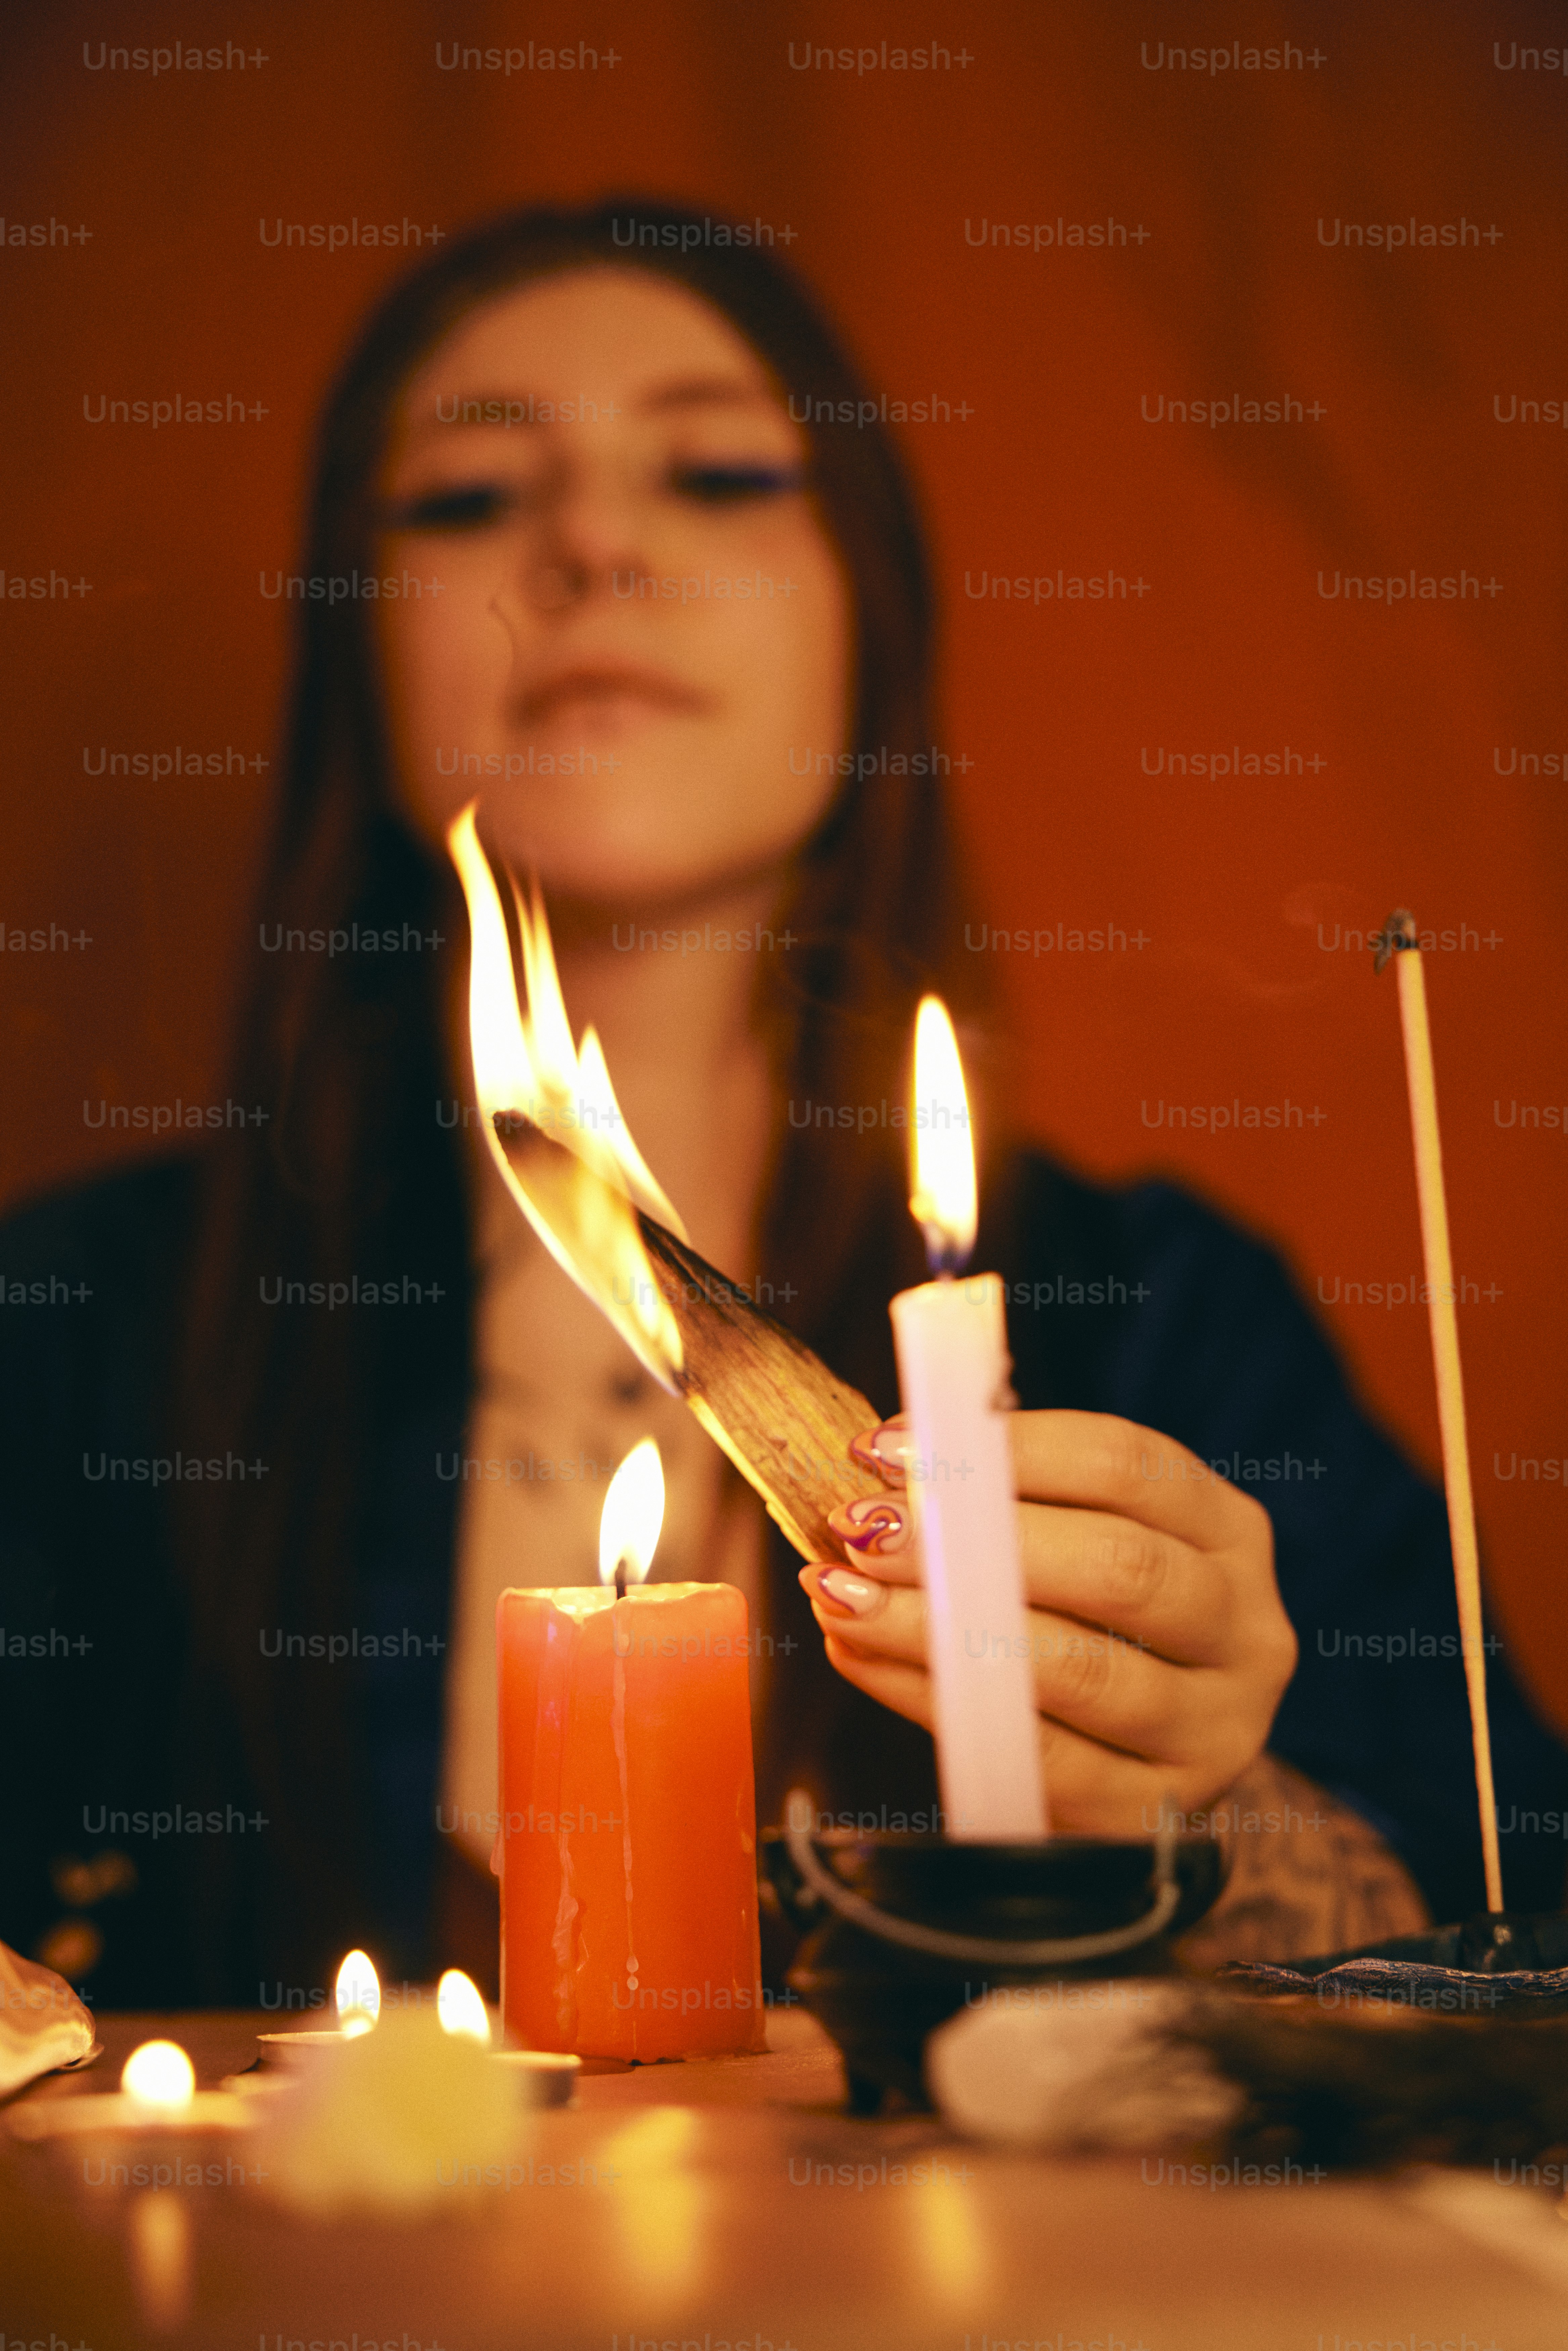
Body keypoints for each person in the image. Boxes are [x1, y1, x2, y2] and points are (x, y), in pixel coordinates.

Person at [3, 198, 1564, 2012]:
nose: (590, 542)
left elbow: (1504, 1994)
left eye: (719, 476)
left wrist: (1207, 1791)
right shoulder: (75, 1334)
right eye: (468, 496)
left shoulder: (1158, 1322)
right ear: (354, 642)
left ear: (871, 621)